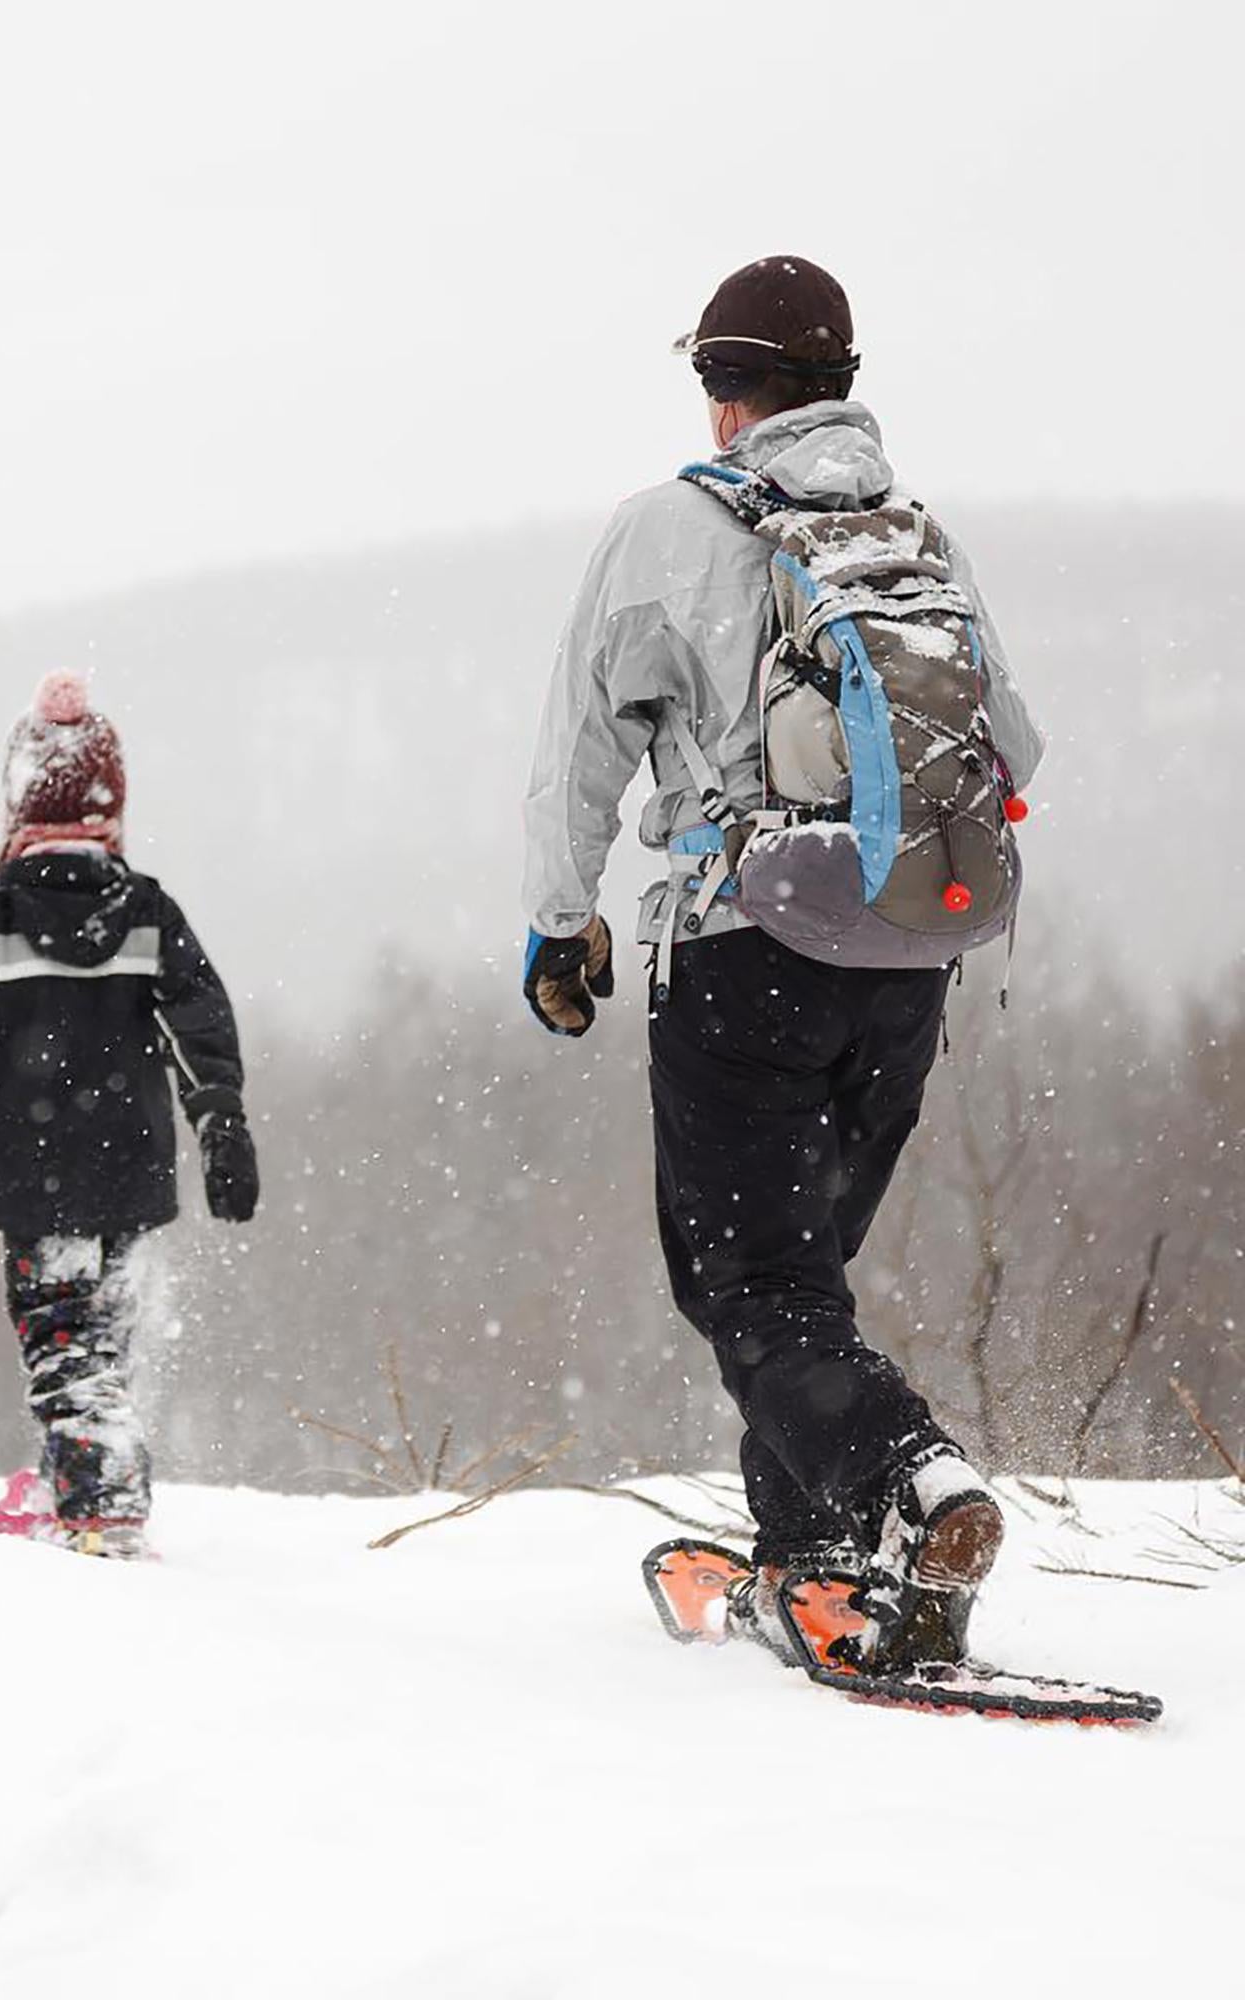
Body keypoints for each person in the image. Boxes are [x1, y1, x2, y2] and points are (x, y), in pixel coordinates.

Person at [521, 256, 1044, 1666]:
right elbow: (1020, 745)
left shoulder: (666, 532)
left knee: (748, 1286)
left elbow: (584, 749)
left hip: (741, 950)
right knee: (804, 1280)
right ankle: (808, 1558)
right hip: (908, 957)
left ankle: (909, 1482)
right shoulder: (916, 538)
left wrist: (559, 919)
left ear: (719, 391)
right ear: (844, 385)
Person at [0, 672, 258, 1558]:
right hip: (132, 1173)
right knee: (99, 1342)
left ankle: (99, 1500)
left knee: (62, 1340)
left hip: (34, 1177)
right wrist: (219, 1121)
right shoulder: (148, 916)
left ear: (17, 802)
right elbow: (201, 1024)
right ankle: (76, 1478)